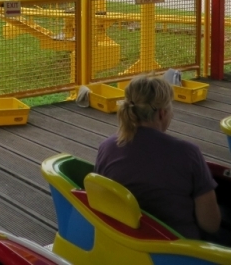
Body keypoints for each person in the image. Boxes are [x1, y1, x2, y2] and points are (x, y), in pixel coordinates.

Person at [94, 74, 224, 242]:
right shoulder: (188, 153)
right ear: (162, 113)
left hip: (126, 246)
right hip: (178, 252)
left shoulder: (106, 148)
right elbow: (210, 224)